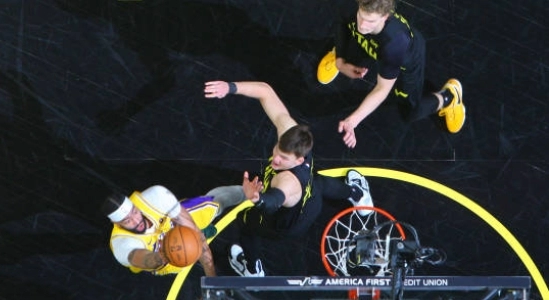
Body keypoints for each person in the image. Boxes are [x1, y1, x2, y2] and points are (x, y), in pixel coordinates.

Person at [204, 80, 374, 277]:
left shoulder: (286, 181)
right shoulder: (293, 140)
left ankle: (252, 269)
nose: (275, 159)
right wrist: (230, 87)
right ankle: (357, 193)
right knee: (318, 182)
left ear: (298, 159)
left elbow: (274, 200)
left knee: (246, 221)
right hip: (312, 200)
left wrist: (257, 198)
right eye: (277, 151)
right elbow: (266, 92)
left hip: (287, 225)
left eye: (283, 158)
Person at [329, 0, 465, 148]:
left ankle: (449, 97)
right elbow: (342, 21)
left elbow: (382, 89)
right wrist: (340, 62)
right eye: (361, 16)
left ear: (385, 16)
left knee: (410, 113)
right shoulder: (357, 8)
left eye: (370, 21)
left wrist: (352, 121)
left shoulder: (395, 44)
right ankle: (338, 54)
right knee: (351, 33)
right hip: (375, 45)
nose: (362, 24)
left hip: (407, 62)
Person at [102, 176, 262, 277]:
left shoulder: (155, 196)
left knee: (214, 205)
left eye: (135, 213)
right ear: (117, 224)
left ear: (135, 205)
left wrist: (211, 280)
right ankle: (184, 243)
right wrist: (164, 254)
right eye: (127, 221)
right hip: (164, 257)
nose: (136, 220)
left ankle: (244, 192)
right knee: (181, 258)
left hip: (173, 224)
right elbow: (146, 259)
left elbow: (197, 236)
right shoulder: (122, 245)